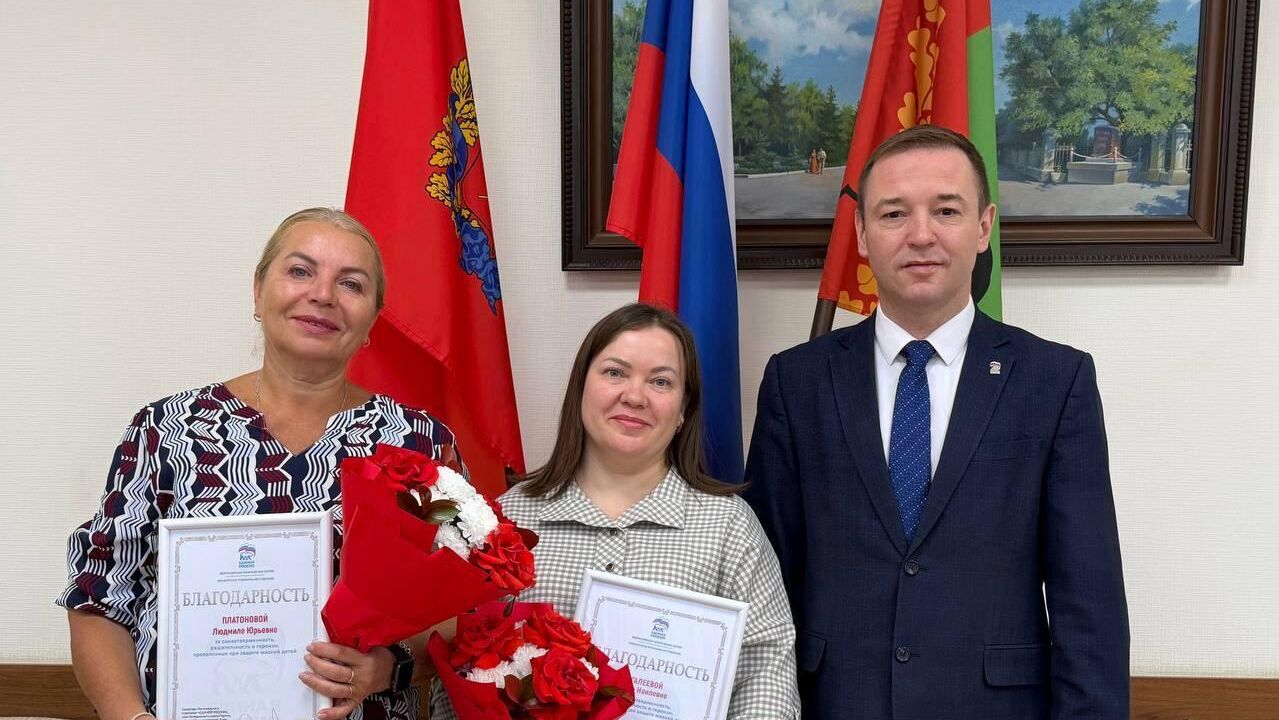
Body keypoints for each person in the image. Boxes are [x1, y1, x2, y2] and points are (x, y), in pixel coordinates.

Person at [743, 125, 1129, 719]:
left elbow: (1089, 604)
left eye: (946, 211)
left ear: (983, 226)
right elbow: (765, 582)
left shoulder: (1055, 382)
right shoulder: (796, 383)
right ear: (862, 233)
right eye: (894, 213)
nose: (920, 235)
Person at [58, 208, 463, 720]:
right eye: (300, 271)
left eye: (351, 284)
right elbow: (100, 595)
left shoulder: (418, 444)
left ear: (372, 320)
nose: (323, 294)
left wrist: (385, 667)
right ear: (257, 291)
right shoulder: (165, 429)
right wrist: (129, 717)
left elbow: (460, 610)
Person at [432, 303, 799, 719]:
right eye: (615, 372)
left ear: (683, 409)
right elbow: (460, 668)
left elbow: (766, 672)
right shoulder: (505, 521)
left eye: (661, 381)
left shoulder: (729, 526)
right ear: (581, 387)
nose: (635, 396)